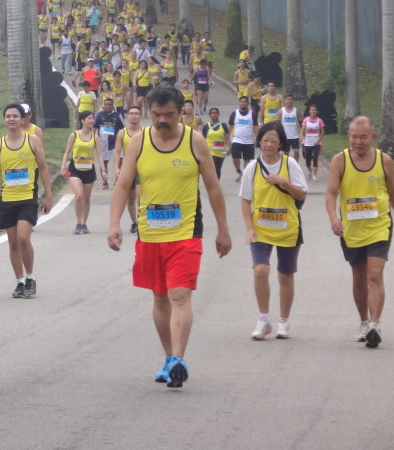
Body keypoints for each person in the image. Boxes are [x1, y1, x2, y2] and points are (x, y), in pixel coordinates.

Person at [107, 85, 232, 389]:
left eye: (169, 115)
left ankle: (179, 358)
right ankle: (168, 358)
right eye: (157, 115)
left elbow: (213, 187)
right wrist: (115, 223)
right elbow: (123, 185)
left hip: (186, 232)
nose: (162, 120)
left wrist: (223, 229)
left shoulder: (196, 142)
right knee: (160, 297)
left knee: (179, 294)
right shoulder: (138, 142)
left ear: (182, 113)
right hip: (150, 234)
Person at [324, 116, 394, 348]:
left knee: (374, 274)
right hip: (351, 229)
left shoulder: (384, 160)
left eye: (363, 137)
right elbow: (331, 193)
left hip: (379, 225)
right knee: (359, 276)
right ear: (348, 135)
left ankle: (375, 324)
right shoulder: (340, 160)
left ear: (373, 137)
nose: (358, 142)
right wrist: (333, 218)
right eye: (354, 136)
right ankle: (363, 321)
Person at [239, 122, 308, 341]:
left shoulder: (290, 165)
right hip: (261, 230)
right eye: (265, 140)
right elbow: (245, 200)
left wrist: (283, 182)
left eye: (274, 141)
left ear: (281, 144)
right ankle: (263, 319)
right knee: (260, 271)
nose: (269, 144)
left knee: (285, 276)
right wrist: (249, 228)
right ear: (259, 141)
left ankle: (284, 322)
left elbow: (301, 195)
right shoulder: (253, 167)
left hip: (288, 229)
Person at [0, 103, 55, 298]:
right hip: (7, 199)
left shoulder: (32, 140)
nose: (11, 119)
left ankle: (31, 277)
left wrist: (48, 195)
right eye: (8, 116)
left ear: (22, 119)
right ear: (4, 120)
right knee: (13, 243)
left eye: (15, 116)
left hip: (27, 198)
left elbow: (43, 167)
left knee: (23, 238)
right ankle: (19, 281)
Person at [61, 111, 101, 234]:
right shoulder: (74, 135)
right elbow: (67, 152)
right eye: (89, 118)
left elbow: (99, 153)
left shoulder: (95, 137)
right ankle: (78, 223)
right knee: (79, 195)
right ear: (82, 120)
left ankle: (84, 223)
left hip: (89, 169)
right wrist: (63, 166)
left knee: (87, 198)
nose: (91, 120)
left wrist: (103, 169)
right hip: (74, 169)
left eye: (92, 118)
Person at [112, 105, 143, 234]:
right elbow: (118, 151)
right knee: (130, 198)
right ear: (127, 115)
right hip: (127, 167)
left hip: (142, 167)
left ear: (140, 116)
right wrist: (116, 168)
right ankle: (134, 222)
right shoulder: (122, 132)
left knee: (140, 196)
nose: (133, 116)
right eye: (131, 113)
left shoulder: (145, 131)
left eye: (136, 113)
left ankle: (142, 221)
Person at [229, 95, 258, 181]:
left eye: (245, 102)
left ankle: (245, 174)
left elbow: (256, 127)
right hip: (236, 140)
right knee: (235, 157)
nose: (243, 103)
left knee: (247, 159)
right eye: (242, 102)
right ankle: (238, 171)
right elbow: (230, 127)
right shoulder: (234, 114)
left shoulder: (252, 115)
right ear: (239, 103)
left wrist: (258, 139)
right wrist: (227, 140)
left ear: (248, 103)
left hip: (249, 141)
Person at [201, 107, 230, 180]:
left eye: (216, 113)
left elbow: (227, 138)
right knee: (212, 167)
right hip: (210, 151)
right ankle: (213, 184)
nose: (214, 114)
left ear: (218, 114)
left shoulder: (223, 125)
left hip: (220, 152)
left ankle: (216, 184)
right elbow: (203, 139)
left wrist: (229, 148)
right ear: (210, 115)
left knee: (217, 169)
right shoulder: (206, 126)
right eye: (212, 113)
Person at [301, 104, 325, 181]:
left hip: (316, 143)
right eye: (312, 110)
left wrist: (319, 140)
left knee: (315, 158)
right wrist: (302, 138)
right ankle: (310, 170)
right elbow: (303, 130)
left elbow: (323, 131)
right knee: (307, 160)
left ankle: (314, 175)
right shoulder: (306, 120)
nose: (313, 111)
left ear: (317, 112)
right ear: (309, 111)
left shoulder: (319, 120)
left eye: (314, 110)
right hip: (307, 142)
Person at [279, 95, 301, 162]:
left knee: (296, 152)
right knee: (286, 153)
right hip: (285, 135)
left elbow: (301, 121)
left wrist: (303, 132)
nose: (289, 101)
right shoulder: (281, 111)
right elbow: (277, 123)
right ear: (285, 101)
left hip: (294, 135)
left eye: (291, 99)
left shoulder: (296, 110)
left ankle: (295, 165)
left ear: (293, 101)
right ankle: (286, 165)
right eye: (288, 99)